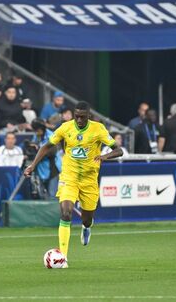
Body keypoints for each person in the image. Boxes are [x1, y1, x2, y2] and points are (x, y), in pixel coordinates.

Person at [24, 102, 123, 265]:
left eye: (82, 117)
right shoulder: (65, 128)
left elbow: (118, 150)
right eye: (76, 116)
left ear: (88, 116)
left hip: (89, 179)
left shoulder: (98, 129)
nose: (78, 120)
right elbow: (47, 146)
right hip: (69, 176)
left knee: (86, 219)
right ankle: (63, 257)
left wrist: (104, 157)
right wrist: (33, 165)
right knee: (66, 212)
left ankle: (86, 228)